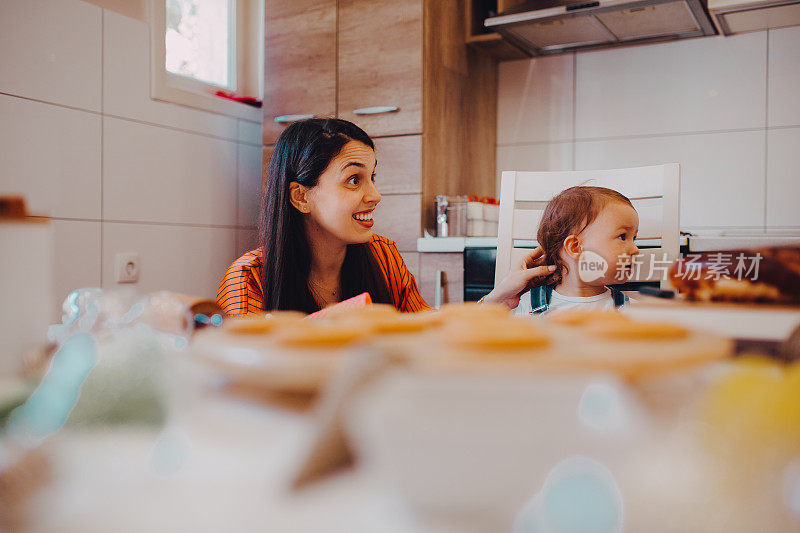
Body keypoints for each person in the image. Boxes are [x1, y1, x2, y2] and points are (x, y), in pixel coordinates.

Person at [217, 118, 551, 315]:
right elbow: (244, 381)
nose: (374, 195)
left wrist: (497, 299)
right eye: (354, 179)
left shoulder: (383, 255)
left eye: (372, 177)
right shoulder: (249, 279)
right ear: (301, 196)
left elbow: (426, 337)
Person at [515, 186, 640, 316]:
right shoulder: (529, 305)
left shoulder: (632, 311)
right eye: (622, 236)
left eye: (634, 238)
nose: (635, 249)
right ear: (575, 247)